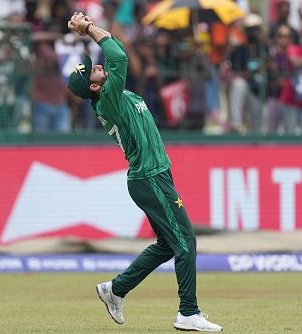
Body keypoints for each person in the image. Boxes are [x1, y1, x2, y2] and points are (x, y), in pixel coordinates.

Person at [66, 12, 222, 332]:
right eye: (92, 70)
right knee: (186, 241)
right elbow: (118, 54)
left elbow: (117, 53)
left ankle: (116, 289)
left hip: (154, 176)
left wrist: (89, 30)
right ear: (94, 87)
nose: (96, 65)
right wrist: (89, 29)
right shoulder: (108, 100)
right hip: (149, 177)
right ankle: (188, 312)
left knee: (167, 244)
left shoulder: (115, 92)